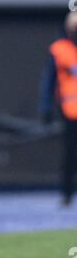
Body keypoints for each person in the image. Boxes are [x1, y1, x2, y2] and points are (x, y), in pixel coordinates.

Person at [39, 11, 77, 205]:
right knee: (70, 154)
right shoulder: (60, 49)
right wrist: (45, 106)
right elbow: (49, 81)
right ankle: (67, 193)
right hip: (70, 110)